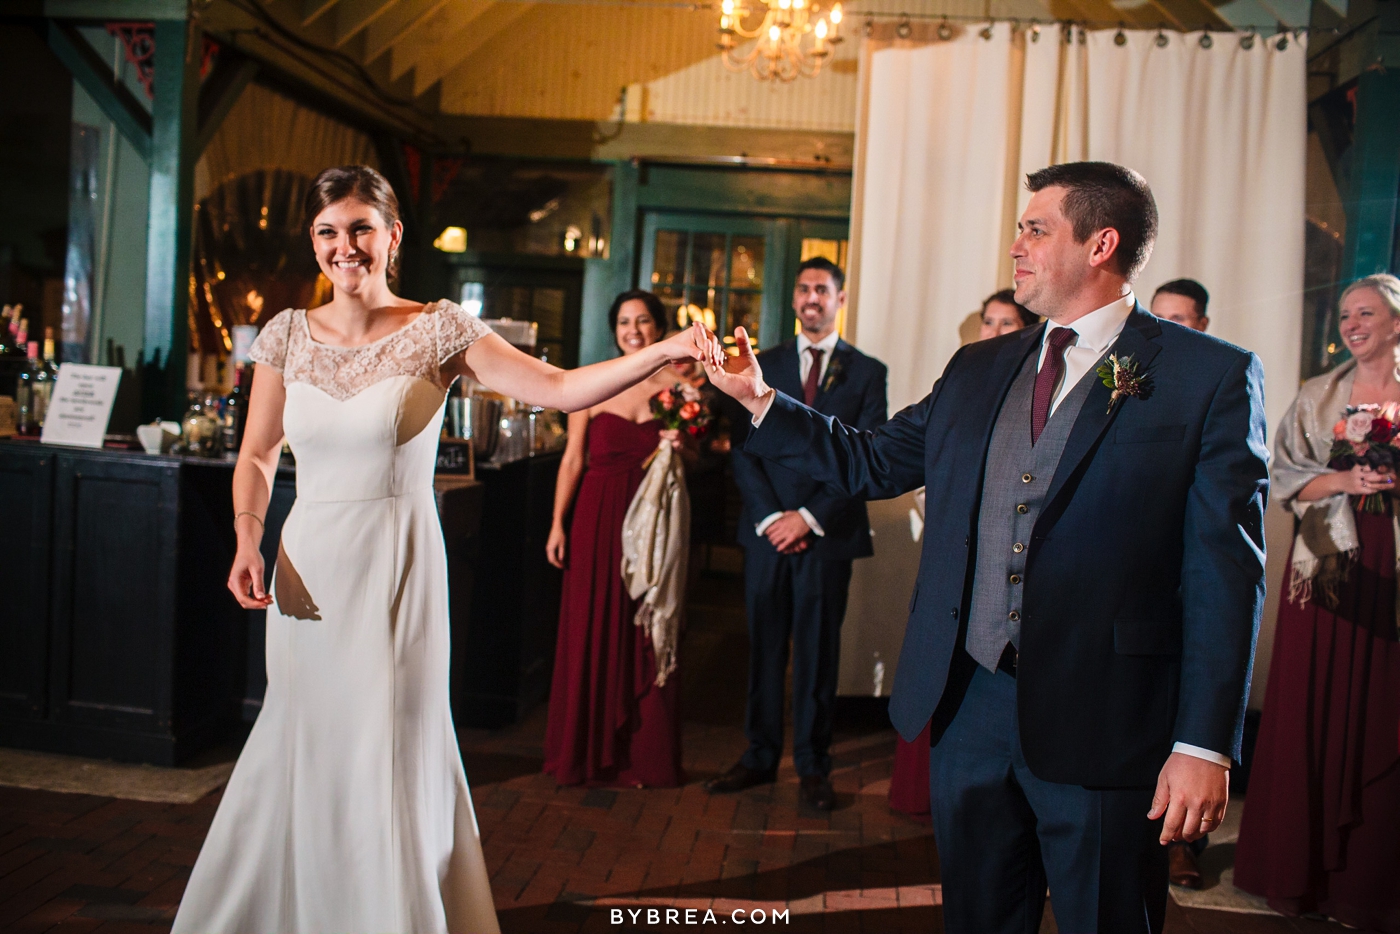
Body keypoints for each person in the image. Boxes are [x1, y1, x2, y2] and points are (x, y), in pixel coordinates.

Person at [696, 161, 1268, 933]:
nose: (1016, 246)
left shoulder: (1210, 375)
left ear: (1101, 244)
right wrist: (758, 398)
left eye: (1036, 229)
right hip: (968, 706)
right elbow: (869, 461)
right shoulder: (978, 367)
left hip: (1110, 718)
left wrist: (1204, 743)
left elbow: (1225, 573)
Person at [177, 167, 708, 934]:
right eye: (329, 231)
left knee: (387, 741)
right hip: (308, 571)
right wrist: (247, 537)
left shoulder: (440, 329)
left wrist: (661, 351)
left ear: (392, 237)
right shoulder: (286, 334)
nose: (344, 246)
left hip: (396, 566)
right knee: (304, 735)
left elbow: (558, 388)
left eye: (361, 228)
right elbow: (258, 454)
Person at [1234, 274, 1400, 931]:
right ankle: (1297, 872)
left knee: (1384, 712)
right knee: (1315, 707)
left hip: (1394, 571)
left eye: (1367, 313)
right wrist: (1345, 476)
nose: (1353, 324)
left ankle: (1371, 882)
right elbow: (1281, 477)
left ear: (1395, 320)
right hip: (1329, 575)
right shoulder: (1319, 392)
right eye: (1345, 314)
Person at [704, 256, 888, 811]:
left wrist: (807, 518)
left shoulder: (866, 371)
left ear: (840, 298)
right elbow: (741, 445)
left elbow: (870, 452)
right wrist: (770, 517)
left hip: (826, 532)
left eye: (823, 289)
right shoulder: (760, 363)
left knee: (817, 650)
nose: (812, 297)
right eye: (804, 288)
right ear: (794, 299)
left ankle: (813, 766)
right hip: (766, 530)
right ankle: (759, 756)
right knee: (762, 645)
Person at [890, 286, 1038, 823]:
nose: (994, 331)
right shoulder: (964, 378)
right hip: (969, 643)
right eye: (988, 321)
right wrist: (763, 403)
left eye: (1007, 322)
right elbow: (876, 455)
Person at [543, 289, 694, 788]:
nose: (634, 330)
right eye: (625, 322)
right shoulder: (591, 383)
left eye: (644, 321)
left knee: (649, 624)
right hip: (598, 517)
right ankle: (586, 752)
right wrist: (557, 523)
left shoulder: (681, 388)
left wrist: (681, 445)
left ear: (659, 327)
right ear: (615, 330)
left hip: (653, 526)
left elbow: (700, 462)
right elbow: (572, 459)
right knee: (593, 621)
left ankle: (643, 756)